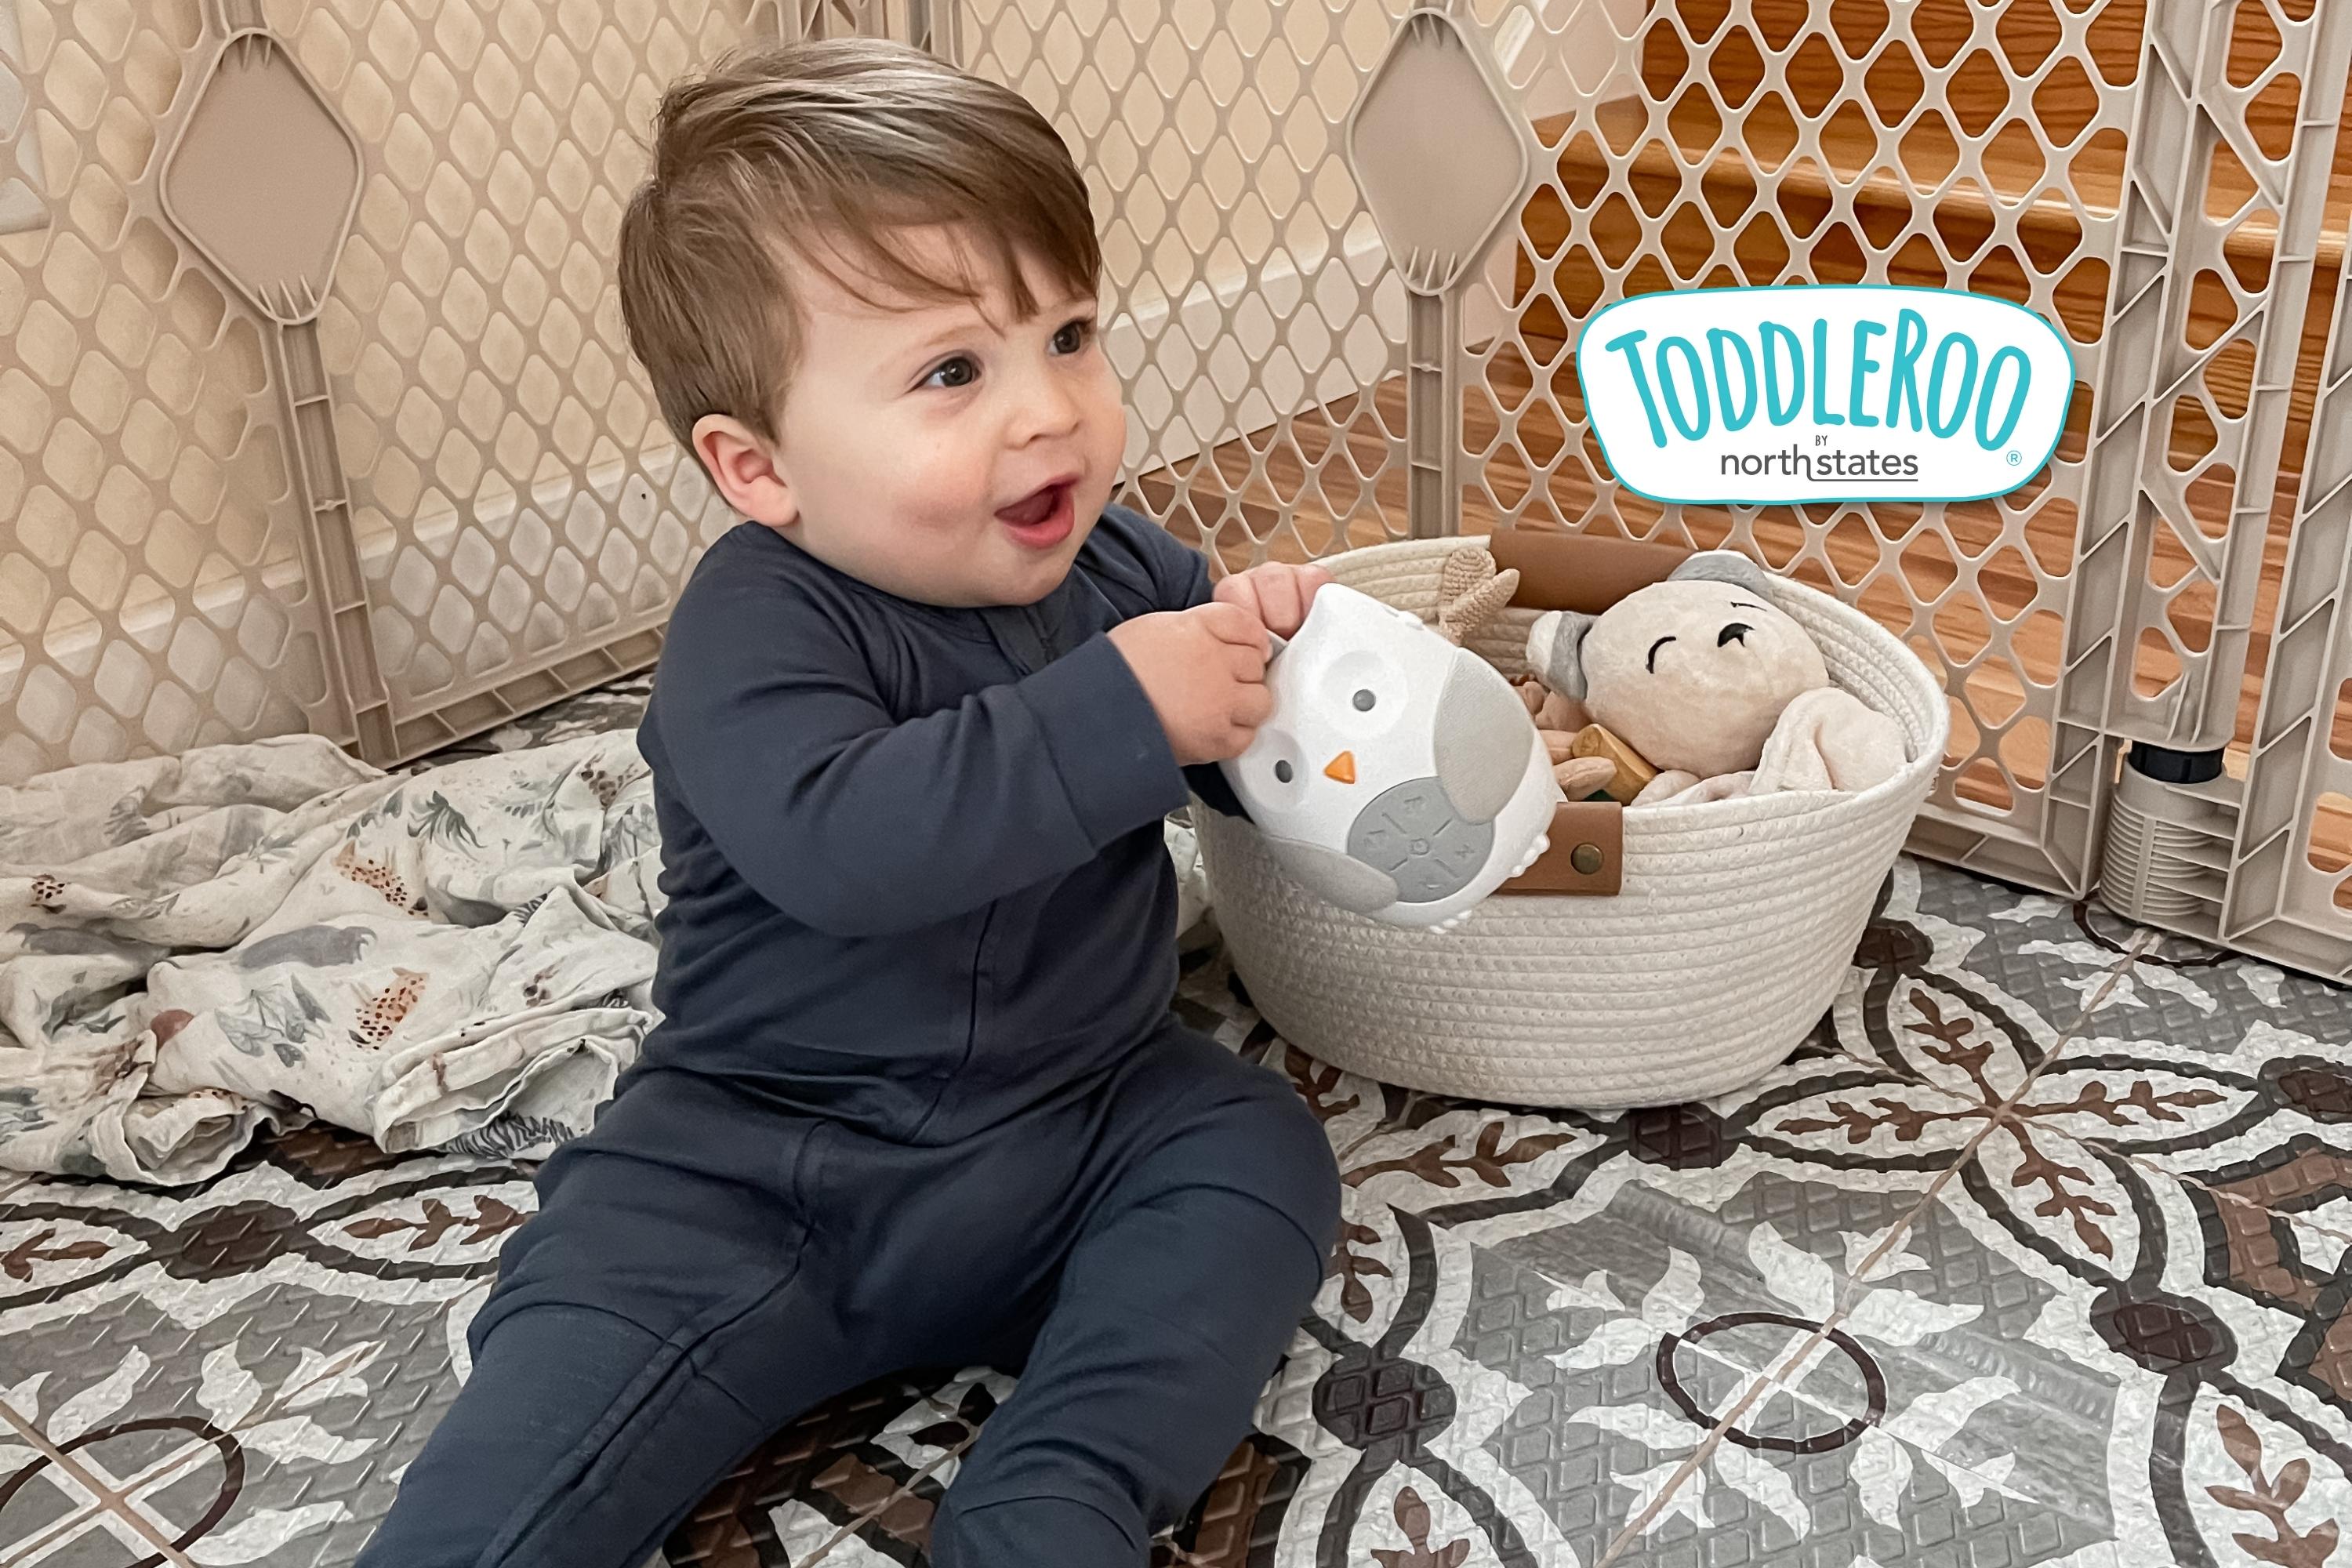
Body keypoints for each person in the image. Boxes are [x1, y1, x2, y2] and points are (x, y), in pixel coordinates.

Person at [356, 36, 1342, 1568]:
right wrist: (1125, 708)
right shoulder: (756, 629)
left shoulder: (1121, 570)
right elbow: (847, 840)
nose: (1049, 414)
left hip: (1077, 1120)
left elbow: (1220, 738)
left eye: (1070, 334)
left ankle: (1055, 1490)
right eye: (955, 369)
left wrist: (1277, 681)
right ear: (761, 469)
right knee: (532, 1438)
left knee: (1254, 1155)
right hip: (762, 1164)